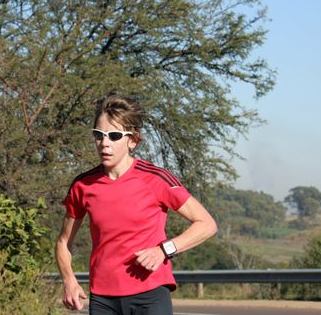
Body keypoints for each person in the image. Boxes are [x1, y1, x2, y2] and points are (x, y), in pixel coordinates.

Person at [55, 94, 218, 315]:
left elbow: (206, 224)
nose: (104, 143)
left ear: (132, 140)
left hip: (150, 294)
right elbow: (64, 242)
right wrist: (69, 281)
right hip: (103, 299)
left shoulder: (156, 178)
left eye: (113, 136)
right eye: (98, 135)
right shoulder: (83, 185)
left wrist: (164, 250)